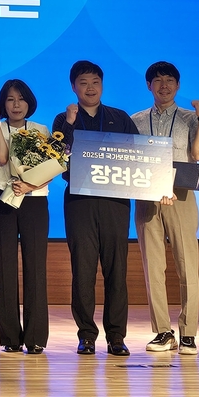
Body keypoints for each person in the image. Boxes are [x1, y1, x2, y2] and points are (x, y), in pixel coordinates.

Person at [51, 59, 136, 357]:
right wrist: (70, 122)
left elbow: (137, 155)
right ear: (73, 87)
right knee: (83, 269)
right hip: (80, 201)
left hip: (115, 202)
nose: (90, 88)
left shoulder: (120, 117)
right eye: (83, 83)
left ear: (102, 85)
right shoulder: (63, 119)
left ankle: (116, 337)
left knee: (116, 270)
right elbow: (56, 157)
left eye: (95, 82)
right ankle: (86, 335)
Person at [130, 61, 199, 356]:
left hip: (180, 197)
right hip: (146, 198)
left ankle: (188, 333)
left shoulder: (191, 118)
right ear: (148, 85)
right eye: (158, 80)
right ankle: (163, 331)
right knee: (153, 267)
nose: (164, 85)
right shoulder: (135, 120)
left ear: (178, 85)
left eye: (169, 80)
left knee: (188, 266)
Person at [0, 79, 50, 355]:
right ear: (3, 103)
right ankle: (10, 337)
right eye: (10, 99)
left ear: (29, 102)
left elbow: (51, 167)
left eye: (21, 99)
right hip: (2, 199)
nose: (16, 104)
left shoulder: (41, 130)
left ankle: (35, 336)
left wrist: (29, 185)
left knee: (35, 267)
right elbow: (0, 159)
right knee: (5, 267)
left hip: (34, 201)